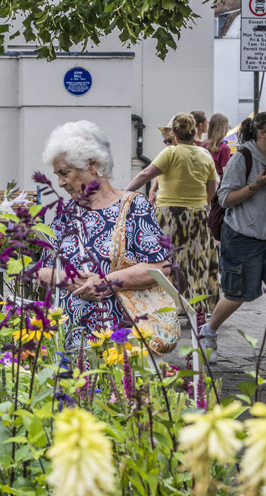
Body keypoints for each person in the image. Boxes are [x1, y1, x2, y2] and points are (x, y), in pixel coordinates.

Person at [37, 121, 170, 351]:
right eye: (57, 175)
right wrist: (65, 278)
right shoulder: (66, 212)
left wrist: (107, 282)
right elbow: (41, 271)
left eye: (65, 173)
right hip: (68, 341)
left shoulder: (133, 206)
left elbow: (160, 266)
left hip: (122, 340)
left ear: (91, 164)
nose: (60, 183)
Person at [195, 112, 266, 372]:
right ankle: (208, 331)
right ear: (261, 133)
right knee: (236, 296)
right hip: (242, 235)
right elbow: (225, 199)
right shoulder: (241, 158)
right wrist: (256, 184)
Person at [127, 113, 219, 314]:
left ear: (175, 135)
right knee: (196, 260)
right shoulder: (205, 156)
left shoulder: (171, 152)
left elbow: (145, 174)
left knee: (167, 261)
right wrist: (201, 203)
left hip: (169, 215)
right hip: (198, 214)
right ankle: (198, 305)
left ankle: (170, 304)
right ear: (194, 132)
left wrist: (123, 194)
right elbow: (212, 189)